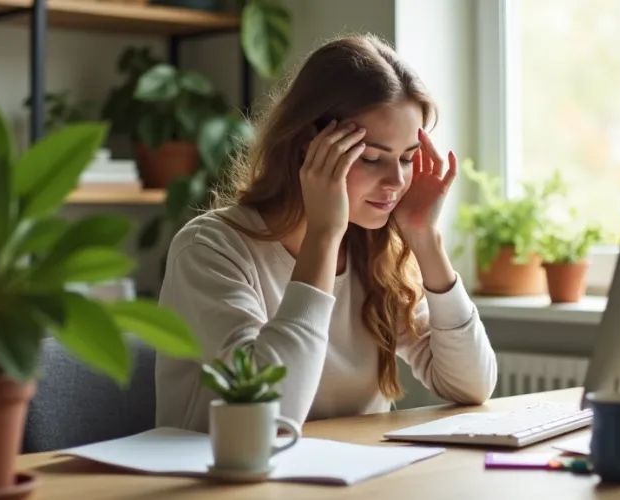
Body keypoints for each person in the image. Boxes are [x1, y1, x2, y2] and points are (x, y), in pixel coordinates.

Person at [155, 33, 498, 432]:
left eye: (407, 158)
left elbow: (472, 386)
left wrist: (425, 238)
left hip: (355, 468)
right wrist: (322, 235)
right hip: (226, 470)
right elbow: (269, 415)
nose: (396, 181)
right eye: (372, 158)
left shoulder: (376, 249)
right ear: (310, 147)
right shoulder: (209, 248)